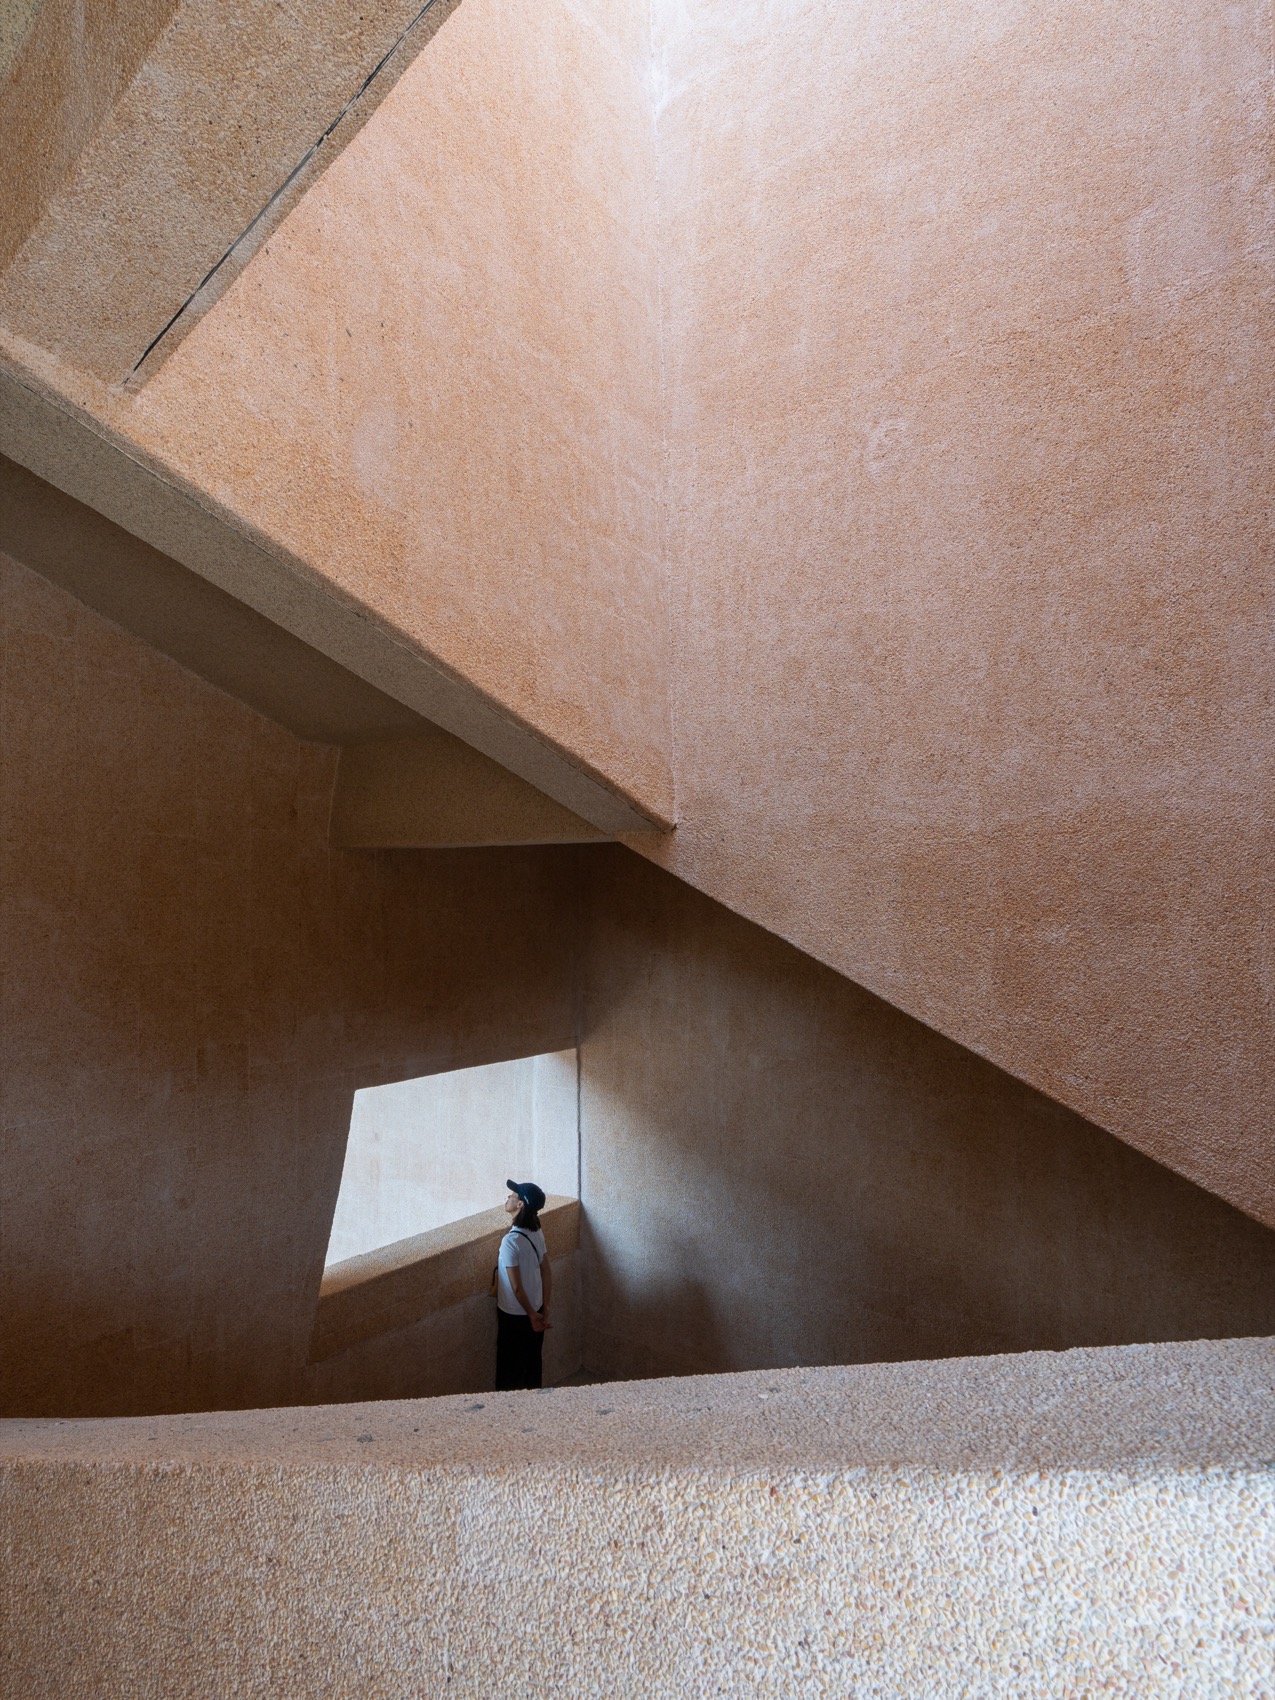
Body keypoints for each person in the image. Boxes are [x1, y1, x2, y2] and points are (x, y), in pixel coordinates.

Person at [495, 1179, 552, 1391]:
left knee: (509, 1371)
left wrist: (531, 1315)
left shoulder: (510, 1242)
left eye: (513, 1196)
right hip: (536, 1307)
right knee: (532, 1366)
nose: (508, 1197)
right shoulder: (536, 1231)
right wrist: (544, 1307)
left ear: (520, 1205)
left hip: (514, 1315)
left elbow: (516, 1288)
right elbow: (546, 1270)